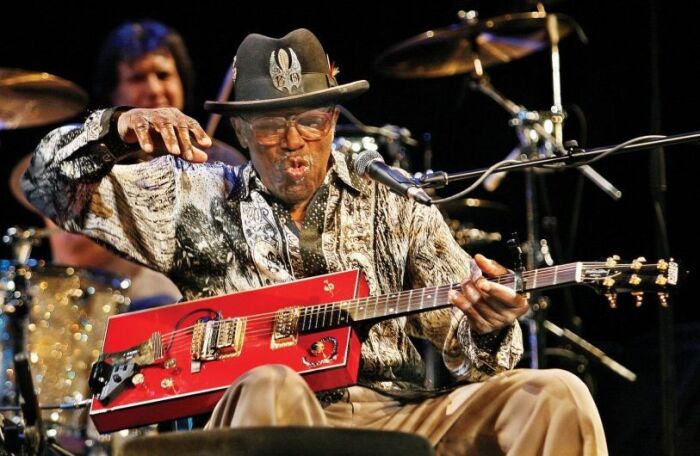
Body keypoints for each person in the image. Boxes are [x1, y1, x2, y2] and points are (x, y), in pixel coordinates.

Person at [21, 28, 608, 455]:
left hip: (392, 415)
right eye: (272, 126)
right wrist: (116, 128)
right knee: (272, 383)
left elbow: (473, 357)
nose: (294, 142)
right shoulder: (193, 198)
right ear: (242, 130)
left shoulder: (394, 200)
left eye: (311, 121)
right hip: (259, 413)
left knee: (555, 393)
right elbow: (43, 183)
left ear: (333, 118)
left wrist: (488, 324)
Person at [34, 19, 246, 310]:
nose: (155, 89)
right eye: (137, 78)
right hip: (102, 315)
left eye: (163, 75)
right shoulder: (85, 156)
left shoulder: (220, 160)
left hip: (196, 318)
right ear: (113, 93)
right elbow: (73, 253)